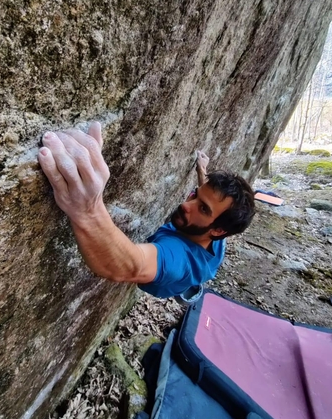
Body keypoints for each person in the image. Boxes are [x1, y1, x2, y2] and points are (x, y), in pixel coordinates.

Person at [38, 123, 255, 299]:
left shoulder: (178, 258)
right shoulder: (219, 233)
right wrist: (202, 170)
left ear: (217, 230)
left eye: (202, 209)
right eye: (195, 195)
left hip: (172, 280)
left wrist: (87, 209)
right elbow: (208, 199)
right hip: (204, 263)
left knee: (175, 278)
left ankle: (182, 290)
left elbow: (130, 266)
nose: (186, 205)